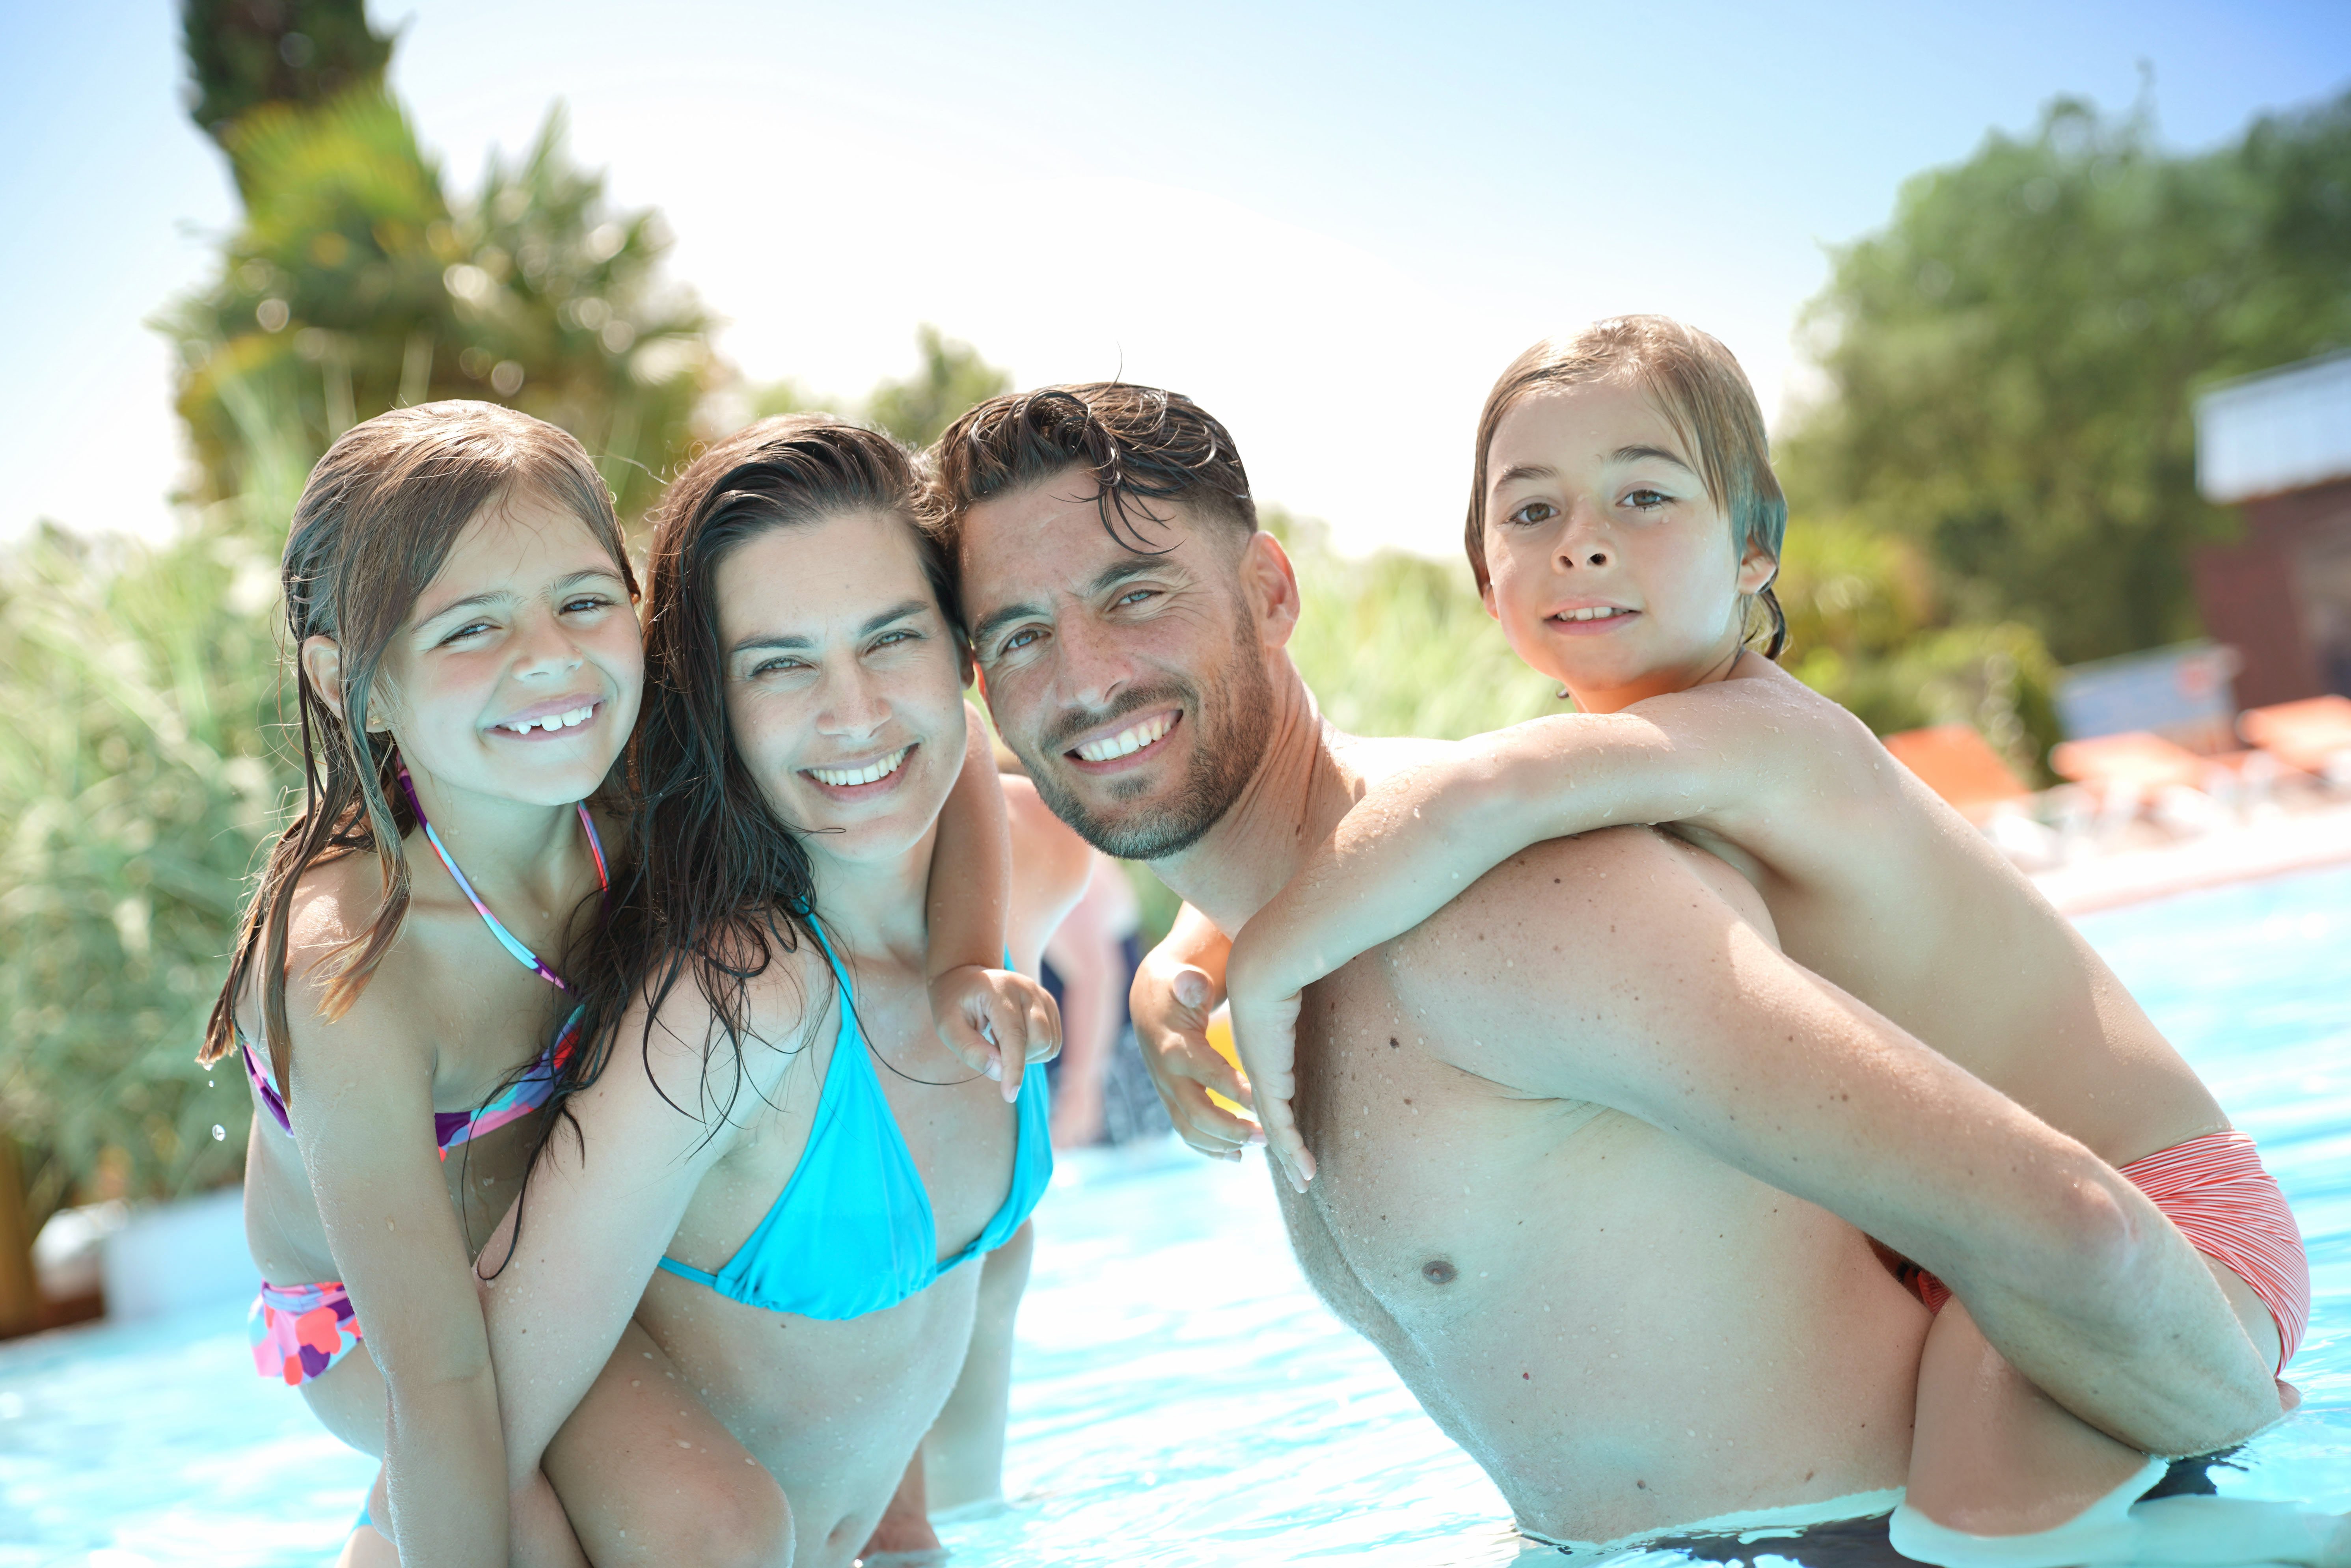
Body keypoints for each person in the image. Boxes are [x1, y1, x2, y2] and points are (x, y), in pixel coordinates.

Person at [930, 381, 2319, 1557]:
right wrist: (1201, 953)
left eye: (1135, 594)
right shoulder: (1275, 933)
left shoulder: (1512, 913)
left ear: (1272, 592)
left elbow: (2080, 1233)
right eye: (1019, 633)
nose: (1087, 675)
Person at [479, 416, 1091, 1568]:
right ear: (710, 703)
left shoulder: (1006, 902)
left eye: (890, 638)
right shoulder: (738, 1006)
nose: (852, 711)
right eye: (780, 663)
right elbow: (485, 1408)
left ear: (959, 652)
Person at [201, 402, 777, 1566]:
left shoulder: (635, 805)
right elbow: (441, 1372)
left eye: (581, 602)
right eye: (471, 628)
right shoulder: (354, 967)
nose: (550, 659)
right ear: (351, 681)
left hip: (552, 1254)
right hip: (380, 1326)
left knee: (724, 1529)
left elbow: (933, 745)